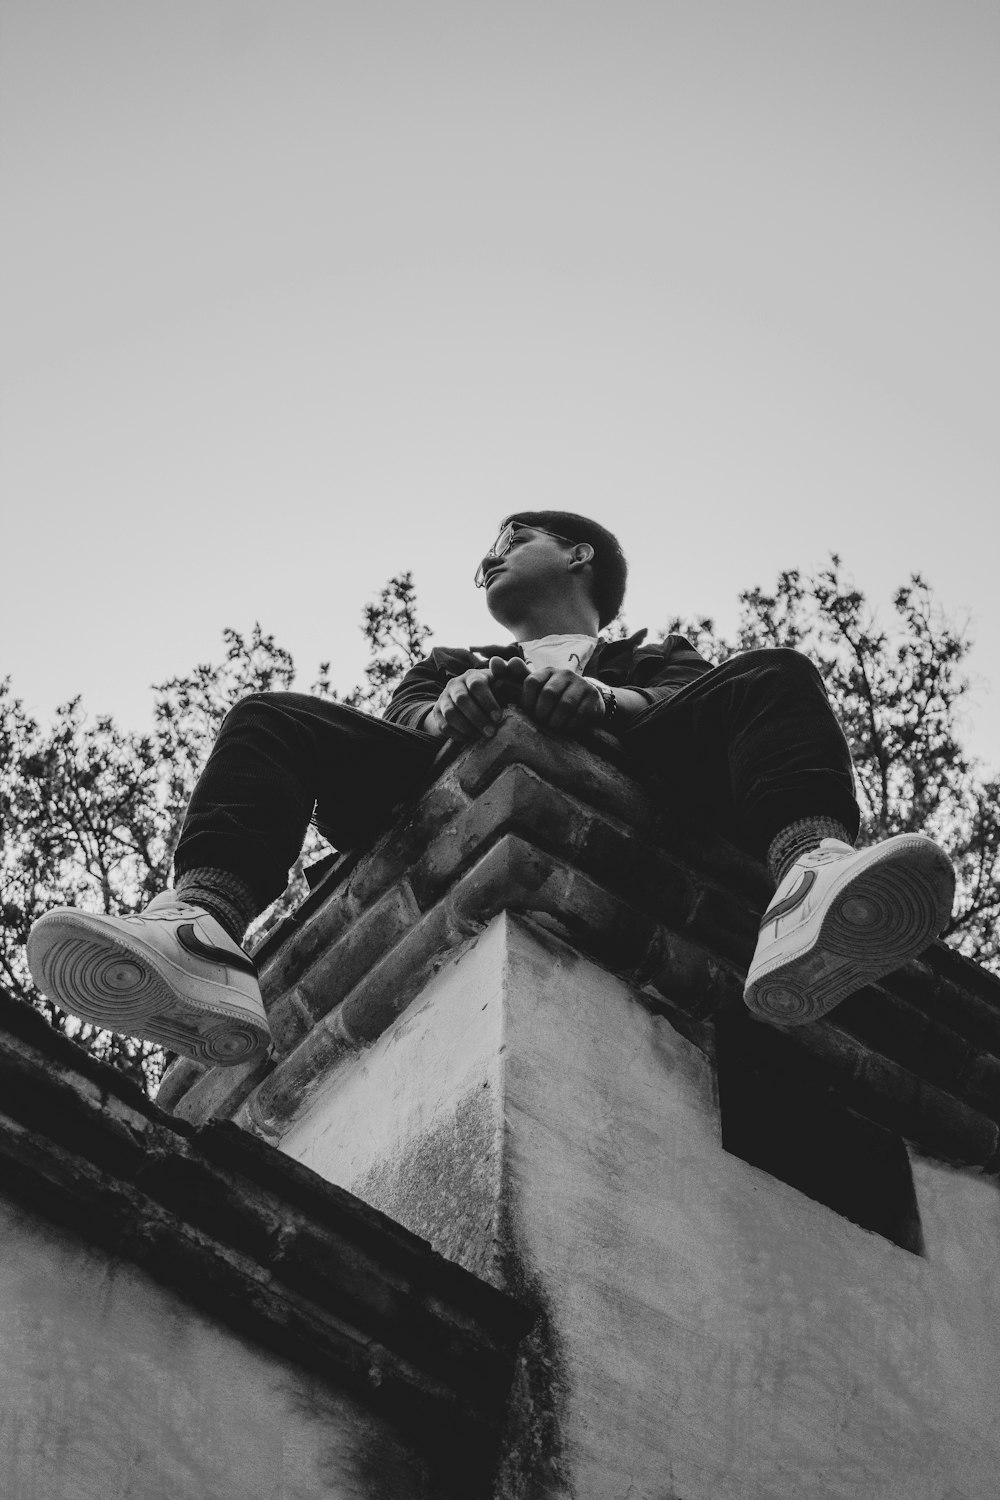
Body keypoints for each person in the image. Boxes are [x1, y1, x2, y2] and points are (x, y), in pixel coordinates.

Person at [27, 512, 955, 1067]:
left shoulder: (658, 655)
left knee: (776, 675)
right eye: (486, 554)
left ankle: (808, 879)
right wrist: (448, 713)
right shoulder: (448, 661)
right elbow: (402, 723)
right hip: (430, 788)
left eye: (513, 541)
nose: (490, 559)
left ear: (580, 555)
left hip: (647, 777)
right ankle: (201, 928)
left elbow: (685, 703)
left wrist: (603, 696)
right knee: (270, 718)